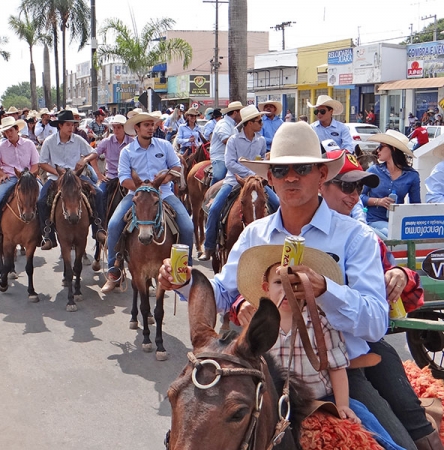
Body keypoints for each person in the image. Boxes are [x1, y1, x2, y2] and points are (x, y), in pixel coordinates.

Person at [158, 122, 419, 449]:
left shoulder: (355, 238)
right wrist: (182, 283)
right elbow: (223, 292)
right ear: (271, 178)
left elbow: (376, 323)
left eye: (303, 168)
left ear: (322, 175)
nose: (291, 177)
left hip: (338, 376)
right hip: (263, 374)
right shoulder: (255, 235)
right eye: (281, 170)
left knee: (399, 445)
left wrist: (325, 289)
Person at [319, 150, 443, 449]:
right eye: (347, 186)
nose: (354, 195)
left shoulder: (364, 236)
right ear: (320, 183)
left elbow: (405, 281)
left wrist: (401, 273)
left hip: (357, 347)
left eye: (359, 188)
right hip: (295, 353)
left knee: (410, 416)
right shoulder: (268, 233)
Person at [236, 247, 408, 450]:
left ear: (306, 287)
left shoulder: (321, 323)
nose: (287, 290)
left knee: (365, 422)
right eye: (278, 283)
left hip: (322, 397)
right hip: (276, 401)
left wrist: (342, 405)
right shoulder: (258, 325)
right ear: (266, 287)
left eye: (295, 284)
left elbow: (336, 368)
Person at [102, 112, 193, 294]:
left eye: (152, 124)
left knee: (188, 227)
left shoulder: (165, 145)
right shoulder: (127, 151)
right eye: (146, 125)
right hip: (135, 196)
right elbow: (124, 179)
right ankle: (114, 270)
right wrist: (144, 189)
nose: (151, 128)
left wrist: (164, 180)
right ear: (137, 128)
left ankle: (183, 270)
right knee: (113, 225)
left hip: (164, 194)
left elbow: (176, 167)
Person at [200, 105, 278, 261]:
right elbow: (230, 163)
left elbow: (261, 160)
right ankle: (209, 247)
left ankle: (277, 242)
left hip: (257, 181)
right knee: (215, 208)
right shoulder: (233, 141)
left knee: (277, 204)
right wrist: (251, 174)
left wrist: (261, 170)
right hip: (233, 180)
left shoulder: (261, 141)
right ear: (249, 123)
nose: (261, 124)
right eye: (259, 121)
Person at [37, 110, 105, 250]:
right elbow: (42, 163)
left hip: (77, 176)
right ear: (60, 126)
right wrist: (58, 172)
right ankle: (48, 236)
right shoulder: (49, 142)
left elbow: (93, 153)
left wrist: (84, 159)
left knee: (98, 194)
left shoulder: (78, 139)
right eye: (68, 125)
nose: (71, 128)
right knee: (41, 201)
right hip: (56, 177)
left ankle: (98, 229)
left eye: (72, 125)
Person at [0, 117, 40, 245]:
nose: (8, 134)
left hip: (29, 178)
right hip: (10, 178)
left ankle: (45, 230)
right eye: (6, 132)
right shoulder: (1, 147)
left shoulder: (29, 144)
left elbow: (35, 164)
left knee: (43, 197)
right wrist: (2, 174)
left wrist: (30, 176)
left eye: (10, 130)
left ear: (17, 129)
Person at [361, 130, 421, 239]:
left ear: (393, 148)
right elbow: (359, 197)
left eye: (381, 146)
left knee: (395, 234)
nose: (377, 150)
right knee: (390, 234)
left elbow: (416, 206)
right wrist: (378, 201)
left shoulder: (412, 175)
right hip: (374, 220)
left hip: (397, 221)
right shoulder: (374, 170)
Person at [92, 114, 133, 226]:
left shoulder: (132, 142)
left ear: (124, 128)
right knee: (98, 194)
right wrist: (99, 175)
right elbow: (93, 156)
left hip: (128, 178)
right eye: (114, 127)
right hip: (110, 177)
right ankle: (99, 224)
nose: (116, 130)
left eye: (119, 127)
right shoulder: (107, 141)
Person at [209, 101, 243, 185]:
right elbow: (226, 140)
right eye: (241, 112)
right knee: (219, 176)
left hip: (232, 157)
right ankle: (210, 193)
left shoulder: (233, 126)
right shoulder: (223, 124)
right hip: (220, 156)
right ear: (235, 112)